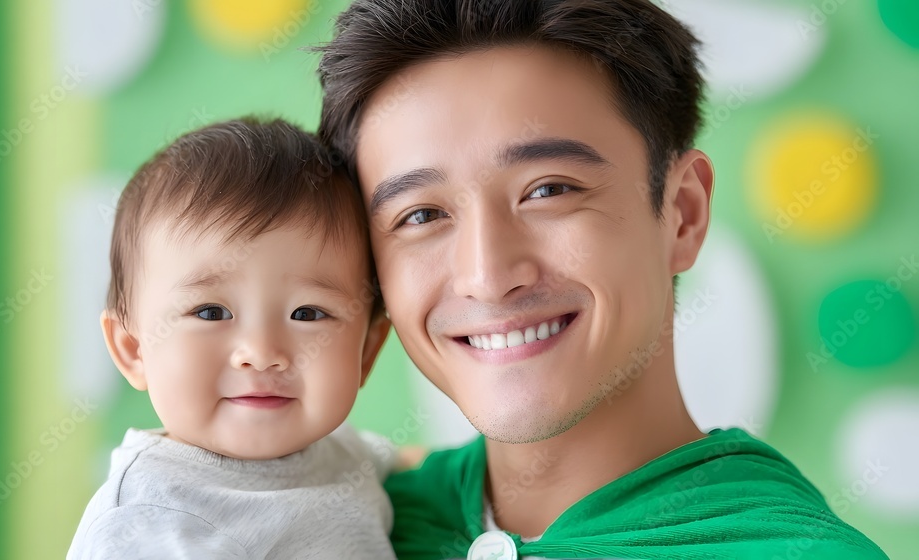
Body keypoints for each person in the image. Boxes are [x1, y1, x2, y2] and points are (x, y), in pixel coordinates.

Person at [316, 1, 888, 558]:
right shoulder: (341, 523)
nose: (487, 277)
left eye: (549, 190)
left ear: (683, 213)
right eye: (420, 216)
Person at [67, 117, 395, 559]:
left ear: (368, 351)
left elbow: (412, 465)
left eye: (308, 313)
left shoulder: (340, 454)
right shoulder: (150, 521)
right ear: (133, 349)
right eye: (210, 312)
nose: (261, 354)